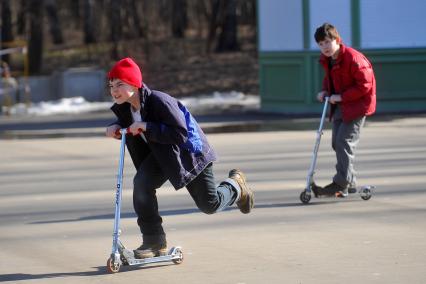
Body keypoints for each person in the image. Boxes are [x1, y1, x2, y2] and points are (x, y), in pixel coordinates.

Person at [105, 57, 254, 259]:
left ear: (134, 83)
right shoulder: (126, 108)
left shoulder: (159, 101)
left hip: (190, 154)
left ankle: (236, 185)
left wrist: (148, 127)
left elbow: (180, 134)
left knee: (209, 205)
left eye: (120, 84)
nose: (114, 90)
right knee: (142, 183)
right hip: (162, 155)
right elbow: (130, 124)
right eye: (111, 85)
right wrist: (116, 127)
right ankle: (154, 241)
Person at [312, 23, 376, 197]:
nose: (324, 47)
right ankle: (351, 181)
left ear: (337, 40)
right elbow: (331, 80)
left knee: (343, 142)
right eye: (320, 44)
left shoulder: (354, 59)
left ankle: (341, 183)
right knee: (336, 143)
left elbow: (365, 86)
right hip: (342, 105)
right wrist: (325, 91)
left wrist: (341, 97)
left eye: (327, 42)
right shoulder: (329, 59)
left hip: (357, 106)